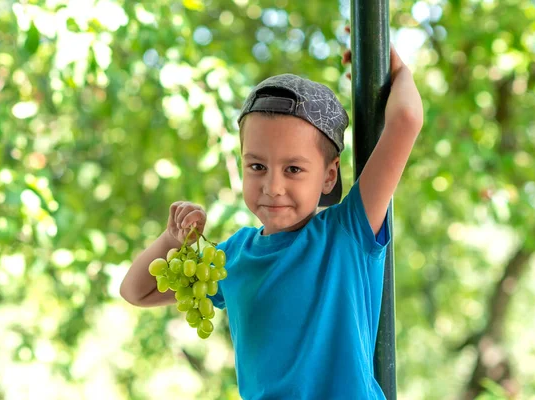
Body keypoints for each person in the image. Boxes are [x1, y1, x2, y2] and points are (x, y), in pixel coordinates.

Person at [120, 45, 423, 399]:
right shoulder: (232, 257)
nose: (272, 187)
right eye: (257, 166)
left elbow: (405, 121)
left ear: (328, 177)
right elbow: (135, 291)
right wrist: (172, 239)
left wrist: (400, 72)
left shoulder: (347, 232)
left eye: (293, 169)